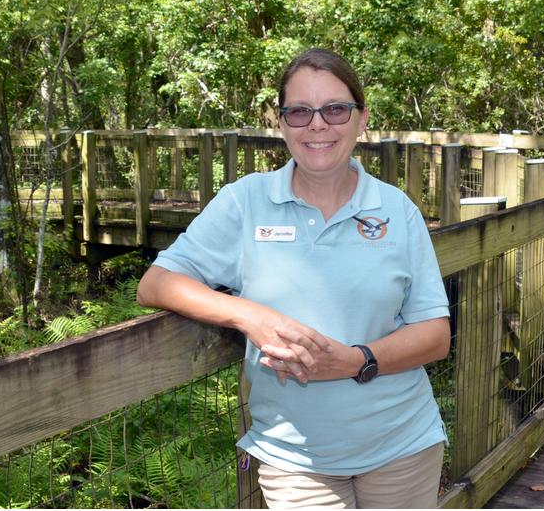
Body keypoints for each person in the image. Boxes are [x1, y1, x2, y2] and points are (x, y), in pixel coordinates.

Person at [137, 48, 450, 509]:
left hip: (403, 446)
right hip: (293, 458)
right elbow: (156, 284)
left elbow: (435, 334)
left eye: (335, 109)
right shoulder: (244, 202)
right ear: (281, 124)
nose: (317, 124)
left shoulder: (397, 209)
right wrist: (250, 316)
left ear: (361, 120)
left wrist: (353, 361)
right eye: (300, 111)